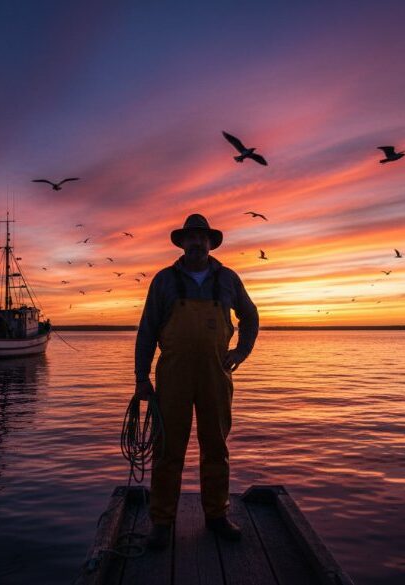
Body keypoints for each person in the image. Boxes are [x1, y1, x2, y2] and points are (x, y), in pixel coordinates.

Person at [134, 213, 259, 549]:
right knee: (167, 450)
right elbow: (147, 329)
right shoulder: (163, 280)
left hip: (216, 374)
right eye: (191, 236)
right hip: (172, 375)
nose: (197, 242)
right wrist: (141, 378)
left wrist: (241, 352)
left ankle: (217, 516)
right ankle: (161, 522)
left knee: (216, 447)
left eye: (202, 237)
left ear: (210, 242)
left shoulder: (229, 279)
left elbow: (250, 316)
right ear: (182, 242)